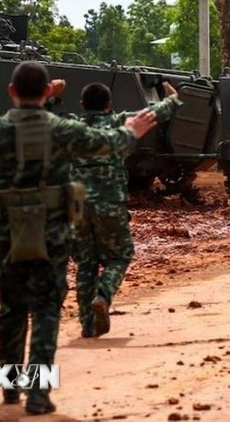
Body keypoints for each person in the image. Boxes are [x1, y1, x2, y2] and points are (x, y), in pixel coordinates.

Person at [0, 62, 158, 414]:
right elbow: (107, 142)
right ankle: (38, 393)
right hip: (53, 233)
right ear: (48, 92)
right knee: (47, 309)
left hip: (8, 233)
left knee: (11, 308)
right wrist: (131, 130)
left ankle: (10, 387)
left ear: (11, 91)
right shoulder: (61, 129)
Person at [70, 80, 181, 338]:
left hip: (77, 207)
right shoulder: (118, 123)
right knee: (120, 255)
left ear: (82, 106)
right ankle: (104, 295)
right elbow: (153, 115)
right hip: (110, 204)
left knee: (86, 263)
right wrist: (172, 100)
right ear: (109, 105)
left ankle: (87, 324)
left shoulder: (72, 128)